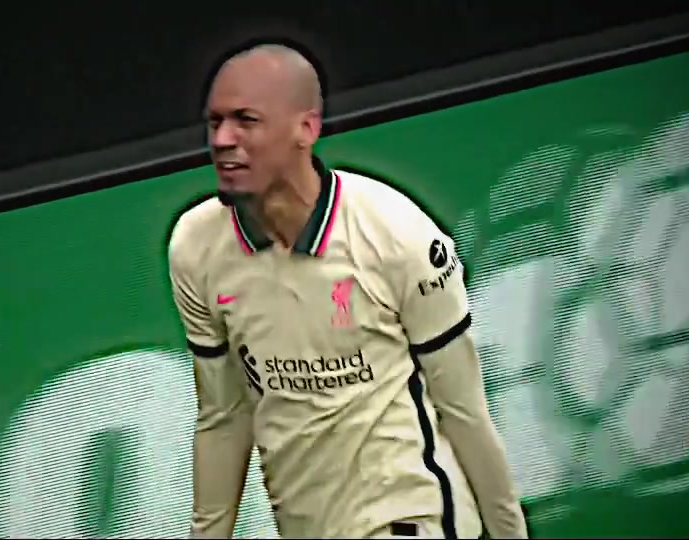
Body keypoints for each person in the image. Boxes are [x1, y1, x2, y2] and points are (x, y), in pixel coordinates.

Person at [167, 43, 529, 539]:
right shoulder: (195, 247)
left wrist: (510, 533)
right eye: (215, 122)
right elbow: (224, 418)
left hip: (409, 514)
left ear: (306, 128)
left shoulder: (397, 235)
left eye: (246, 121)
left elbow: (464, 411)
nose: (223, 140)